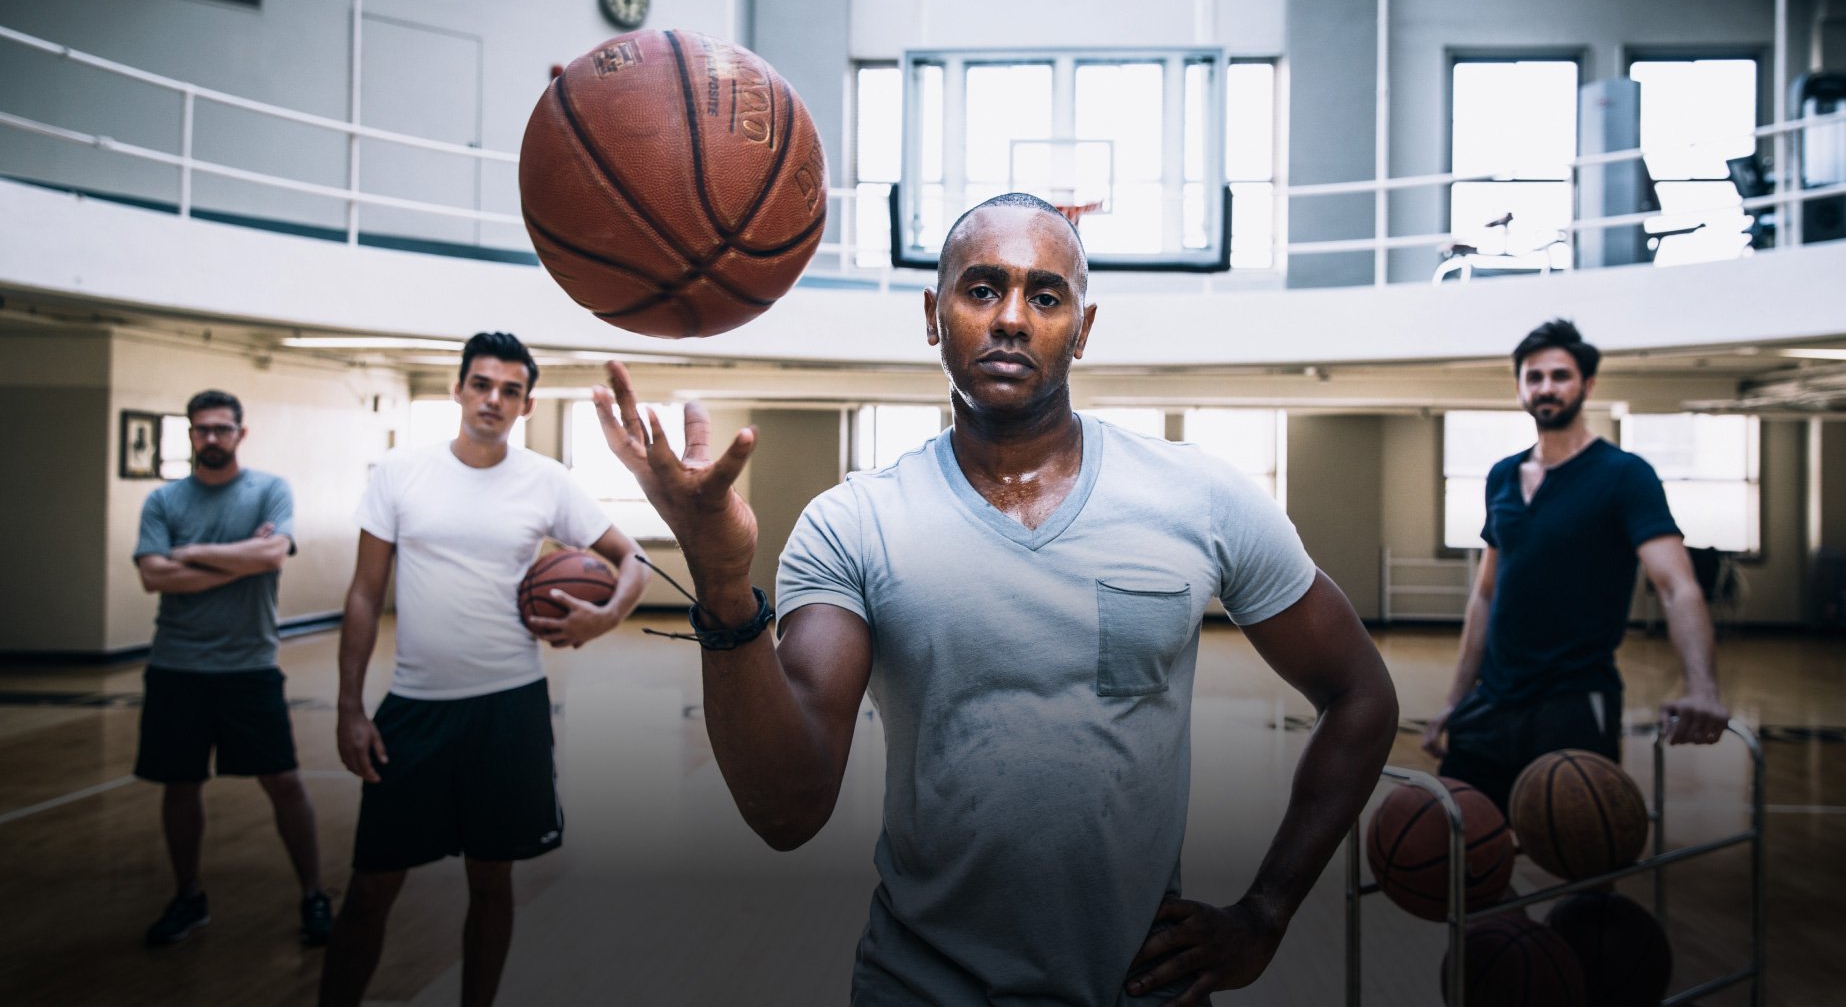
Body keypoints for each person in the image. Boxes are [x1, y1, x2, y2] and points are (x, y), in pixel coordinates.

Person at [592, 193, 1399, 1006]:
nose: (1011, 317)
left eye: (1045, 296)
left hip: (1140, 985)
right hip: (920, 986)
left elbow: (1361, 694)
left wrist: (1266, 910)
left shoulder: (1200, 497)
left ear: (1082, 328)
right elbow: (788, 809)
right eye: (981, 289)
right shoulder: (857, 521)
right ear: (933, 314)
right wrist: (723, 585)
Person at [319, 332, 652, 1007]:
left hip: (508, 708)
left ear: (526, 406)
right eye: (481, 384)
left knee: (491, 880)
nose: (493, 399)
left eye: (509, 390)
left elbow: (634, 560)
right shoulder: (399, 473)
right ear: (458, 389)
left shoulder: (546, 479)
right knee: (370, 887)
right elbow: (362, 594)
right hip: (413, 708)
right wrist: (350, 707)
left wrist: (606, 616)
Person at [1420, 318, 1731, 813]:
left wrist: (1703, 689)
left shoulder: (1625, 476)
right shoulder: (1502, 476)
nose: (1546, 387)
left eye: (1560, 375)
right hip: (1493, 699)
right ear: (1520, 385)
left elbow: (1677, 587)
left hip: (1575, 700)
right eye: (1534, 376)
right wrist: (1455, 701)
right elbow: (1485, 593)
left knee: (1583, 855)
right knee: (1462, 846)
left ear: (1587, 385)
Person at [132, 389, 330, 947]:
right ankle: (188, 896)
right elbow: (152, 576)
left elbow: (271, 556)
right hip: (177, 666)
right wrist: (239, 559)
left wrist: (189, 553)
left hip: (249, 666)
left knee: (285, 782)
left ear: (241, 434)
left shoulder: (268, 490)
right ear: (190, 435)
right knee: (179, 785)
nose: (212, 438)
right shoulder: (164, 501)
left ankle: (314, 893)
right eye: (202, 430)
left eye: (222, 429)